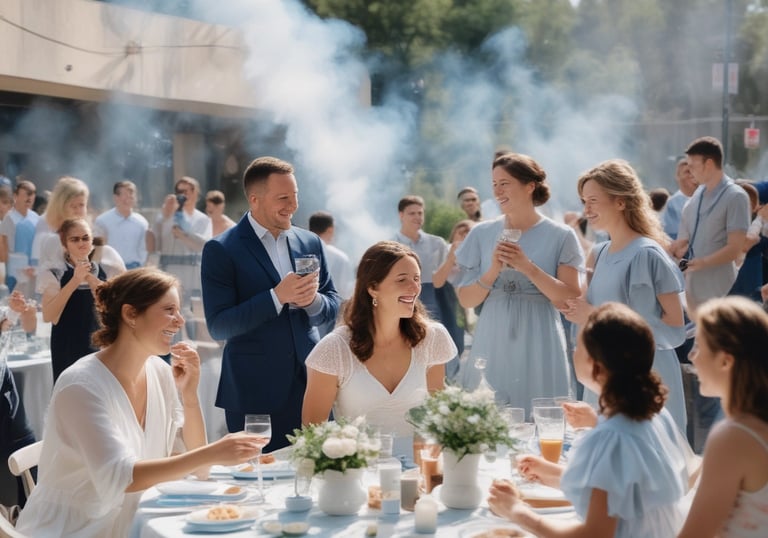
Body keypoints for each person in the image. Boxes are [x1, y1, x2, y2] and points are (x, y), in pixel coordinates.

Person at [15, 268, 262, 537]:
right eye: (169, 309)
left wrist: (189, 397)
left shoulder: (158, 371)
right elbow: (122, 478)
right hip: (76, 528)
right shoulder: (81, 385)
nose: (179, 320)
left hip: (137, 519)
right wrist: (214, 452)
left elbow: (198, 467)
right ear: (130, 314)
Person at [489, 302, 691, 538]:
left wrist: (516, 511)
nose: (573, 352)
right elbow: (622, 489)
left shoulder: (611, 437)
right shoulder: (653, 415)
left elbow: (594, 534)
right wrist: (551, 473)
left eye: (577, 348)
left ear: (596, 367)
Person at [201, 156, 340, 451]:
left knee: (319, 472)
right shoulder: (221, 250)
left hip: (312, 383)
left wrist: (313, 301)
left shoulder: (311, 242)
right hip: (255, 394)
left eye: (295, 196)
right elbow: (219, 325)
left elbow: (332, 304)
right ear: (255, 199)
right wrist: (277, 297)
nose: (293, 205)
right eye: (283, 198)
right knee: (259, 484)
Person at [561, 159, 688, 434]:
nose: (586, 210)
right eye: (584, 201)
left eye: (593, 200)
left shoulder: (647, 253)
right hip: (605, 375)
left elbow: (676, 329)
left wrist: (592, 315)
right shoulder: (598, 253)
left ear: (620, 202)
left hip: (647, 378)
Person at [455, 152, 583, 413]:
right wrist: (492, 271)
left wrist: (528, 268)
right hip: (493, 332)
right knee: (490, 412)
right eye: (494, 184)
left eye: (505, 183)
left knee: (541, 411)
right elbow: (466, 299)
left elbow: (569, 297)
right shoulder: (481, 233)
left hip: (541, 332)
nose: (497, 191)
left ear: (529, 186)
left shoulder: (561, 235)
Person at [302, 241, 456, 452]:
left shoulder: (432, 338)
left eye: (417, 279)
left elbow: (441, 418)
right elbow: (312, 435)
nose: (414, 288)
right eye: (402, 280)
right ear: (373, 288)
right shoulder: (334, 349)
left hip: (419, 470)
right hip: (356, 474)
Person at [678, 296, 768, 537]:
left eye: (698, 346)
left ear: (726, 360)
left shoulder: (733, 437)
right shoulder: (744, 430)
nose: (691, 356)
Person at [670, 136, 751, 316]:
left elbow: (735, 248)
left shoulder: (735, 196)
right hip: (694, 289)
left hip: (721, 290)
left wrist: (703, 263)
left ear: (708, 163)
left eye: (693, 166)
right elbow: (685, 238)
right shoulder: (696, 196)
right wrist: (678, 246)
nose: (689, 172)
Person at [40, 218, 125, 382]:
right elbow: (49, 316)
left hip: (101, 345)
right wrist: (74, 281)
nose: (81, 243)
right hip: (67, 346)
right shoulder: (55, 274)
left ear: (92, 240)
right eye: (75, 239)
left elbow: (115, 309)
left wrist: (91, 280)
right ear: (65, 244)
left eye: (85, 238)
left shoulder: (107, 269)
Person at [155, 176, 212, 308]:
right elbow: (156, 241)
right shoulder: (166, 216)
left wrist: (182, 236)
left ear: (195, 193)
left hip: (192, 272)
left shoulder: (203, 219)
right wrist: (166, 215)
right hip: (170, 271)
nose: (183, 195)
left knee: (194, 313)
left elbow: (202, 246)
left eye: (186, 191)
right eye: (179, 192)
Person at [432, 218, 475, 378]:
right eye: (461, 233)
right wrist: (451, 258)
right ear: (454, 235)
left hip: (471, 300)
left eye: (469, 233)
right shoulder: (445, 250)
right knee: (451, 341)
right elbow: (437, 281)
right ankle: (448, 377)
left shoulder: (479, 253)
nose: (464, 237)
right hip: (446, 300)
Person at [308, 211, 355, 337]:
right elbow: (346, 292)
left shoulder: (302, 252)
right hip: (332, 317)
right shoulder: (340, 257)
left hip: (307, 315)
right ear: (330, 230)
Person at [93, 180, 149, 269]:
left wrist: (142, 264)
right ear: (116, 198)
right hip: (111, 269)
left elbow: (144, 249)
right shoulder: (102, 221)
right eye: (125, 196)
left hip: (135, 268)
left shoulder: (142, 222)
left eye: (132, 195)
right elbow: (98, 249)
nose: (129, 199)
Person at [0, 179, 39, 296]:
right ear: (16, 196)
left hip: (33, 269)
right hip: (14, 269)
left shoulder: (36, 218)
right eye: (25, 194)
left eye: (31, 194)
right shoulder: (9, 218)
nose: (28, 198)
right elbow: (3, 246)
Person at [663, 158, 697, 240]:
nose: (691, 175)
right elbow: (673, 235)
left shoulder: (706, 196)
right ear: (678, 176)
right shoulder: (673, 203)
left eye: (693, 171)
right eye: (687, 172)